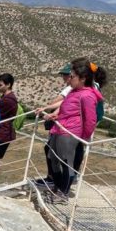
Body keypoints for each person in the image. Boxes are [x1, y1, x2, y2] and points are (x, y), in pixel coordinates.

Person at [44, 58, 99, 204]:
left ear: (83, 78)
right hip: (60, 128)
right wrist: (56, 115)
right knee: (52, 158)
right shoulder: (75, 92)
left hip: (70, 132)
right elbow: (68, 109)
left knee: (66, 163)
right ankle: (57, 187)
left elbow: (90, 120)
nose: (69, 80)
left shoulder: (87, 95)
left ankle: (63, 194)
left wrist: (84, 138)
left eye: (72, 77)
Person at [34, 64, 73, 188]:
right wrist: (50, 111)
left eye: (66, 75)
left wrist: (52, 112)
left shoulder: (73, 90)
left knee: (64, 158)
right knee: (52, 152)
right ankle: (56, 183)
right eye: (64, 75)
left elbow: (60, 103)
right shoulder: (73, 89)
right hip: (62, 126)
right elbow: (63, 104)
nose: (64, 77)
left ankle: (59, 186)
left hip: (67, 128)